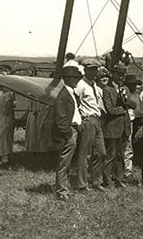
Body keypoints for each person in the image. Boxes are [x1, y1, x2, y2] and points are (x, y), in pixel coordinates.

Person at [74, 58, 107, 191]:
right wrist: (79, 120)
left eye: (95, 69)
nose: (94, 72)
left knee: (101, 152)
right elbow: (75, 103)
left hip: (97, 120)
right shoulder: (81, 85)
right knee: (85, 153)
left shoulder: (93, 84)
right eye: (91, 69)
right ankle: (82, 184)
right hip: (88, 120)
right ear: (85, 70)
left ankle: (96, 182)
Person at [102, 64, 135, 188]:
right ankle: (107, 181)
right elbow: (110, 109)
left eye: (123, 75)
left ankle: (119, 179)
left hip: (124, 127)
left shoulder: (125, 89)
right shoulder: (107, 89)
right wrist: (124, 108)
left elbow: (134, 105)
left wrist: (126, 101)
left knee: (121, 155)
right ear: (113, 74)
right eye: (118, 74)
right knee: (110, 155)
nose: (121, 77)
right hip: (112, 127)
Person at [52, 66, 83, 200]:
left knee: (67, 162)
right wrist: (68, 134)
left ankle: (63, 187)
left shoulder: (71, 93)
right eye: (74, 78)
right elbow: (60, 118)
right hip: (69, 132)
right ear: (66, 79)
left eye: (77, 78)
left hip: (74, 129)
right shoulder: (63, 96)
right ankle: (61, 191)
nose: (76, 80)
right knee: (64, 162)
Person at [123, 74, 140, 178]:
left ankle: (127, 170)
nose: (134, 87)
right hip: (125, 120)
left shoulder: (134, 95)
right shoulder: (125, 93)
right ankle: (125, 171)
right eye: (132, 85)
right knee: (126, 146)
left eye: (135, 85)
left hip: (131, 120)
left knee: (128, 145)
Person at [0, 87, 15, 165]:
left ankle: (5, 159)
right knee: (1, 137)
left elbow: (7, 109)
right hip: (0, 118)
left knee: (3, 137)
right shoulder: (4, 95)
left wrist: (3, 113)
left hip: (4, 119)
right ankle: (3, 157)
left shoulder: (7, 95)